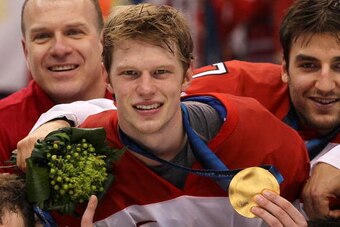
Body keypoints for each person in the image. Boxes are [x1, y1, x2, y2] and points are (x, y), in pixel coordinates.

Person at [15, 0, 338, 222]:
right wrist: (59, 120)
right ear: (284, 66)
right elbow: (145, 105)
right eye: (308, 65)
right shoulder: (238, 87)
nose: (325, 84)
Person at [0, 0, 113, 169]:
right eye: (42, 36)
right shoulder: (3, 125)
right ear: (26, 51)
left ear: (103, 42)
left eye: (74, 32)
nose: (59, 49)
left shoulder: (141, 108)